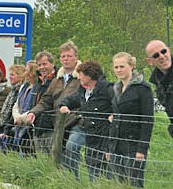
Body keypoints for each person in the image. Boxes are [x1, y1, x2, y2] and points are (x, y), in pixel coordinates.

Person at [26, 41, 82, 169]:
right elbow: (46, 101)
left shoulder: (82, 77)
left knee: (71, 155)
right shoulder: (57, 80)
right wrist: (33, 112)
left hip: (75, 123)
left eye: (69, 56)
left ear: (76, 58)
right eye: (63, 56)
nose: (66, 59)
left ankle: (74, 183)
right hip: (58, 125)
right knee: (57, 162)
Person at [59, 60, 113, 181]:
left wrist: (114, 114)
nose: (79, 78)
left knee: (106, 168)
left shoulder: (107, 89)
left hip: (104, 134)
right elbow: (72, 99)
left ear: (89, 75)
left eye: (81, 75)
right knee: (91, 164)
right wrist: (64, 105)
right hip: (89, 132)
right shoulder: (84, 91)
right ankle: (78, 181)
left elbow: (118, 103)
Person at [107, 52, 154, 188]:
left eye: (122, 66)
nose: (119, 70)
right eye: (116, 67)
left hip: (133, 144)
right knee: (119, 184)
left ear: (131, 66)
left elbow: (148, 120)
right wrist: (110, 147)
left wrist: (142, 149)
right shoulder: (116, 88)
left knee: (134, 184)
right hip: (116, 144)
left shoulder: (142, 88)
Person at [146, 40, 173, 159]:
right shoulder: (158, 81)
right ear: (150, 61)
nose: (162, 56)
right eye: (156, 55)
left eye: (163, 51)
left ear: (169, 51)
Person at [0, 65, 25, 151]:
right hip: (5, 127)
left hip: (12, 129)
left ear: (20, 76)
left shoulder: (19, 91)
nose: (10, 77)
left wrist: (6, 131)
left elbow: (12, 112)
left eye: (12, 74)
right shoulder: (12, 90)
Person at [12, 60, 39, 155]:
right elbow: (16, 105)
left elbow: (35, 106)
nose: (25, 73)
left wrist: (22, 118)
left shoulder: (37, 88)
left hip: (29, 126)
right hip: (19, 124)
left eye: (27, 70)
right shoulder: (24, 86)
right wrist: (16, 116)